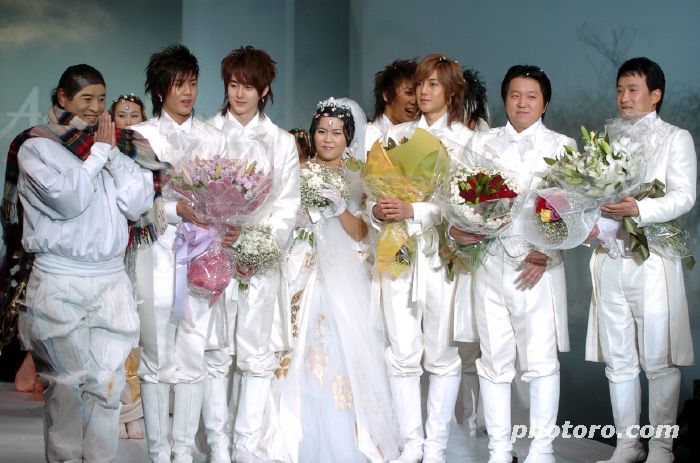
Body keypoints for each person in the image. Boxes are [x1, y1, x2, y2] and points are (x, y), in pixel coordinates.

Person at [7, 64, 155, 462]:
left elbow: (138, 203)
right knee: (65, 387)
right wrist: (99, 153)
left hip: (109, 278)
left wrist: (111, 155)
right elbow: (68, 200)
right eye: (86, 98)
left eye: (101, 99)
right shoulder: (36, 146)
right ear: (63, 98)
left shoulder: (116, 145)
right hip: (61, 277)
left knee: (107, 385)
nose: (95, 107)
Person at [451, 65, 575, 463]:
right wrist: (457, 228)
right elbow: (457, 196)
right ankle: (499, 450)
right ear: (505, 98)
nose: (522, 102)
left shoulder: (562, 147)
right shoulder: (482, 142)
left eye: (531, 96)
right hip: (488, 262)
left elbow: (574, 210)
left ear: (544, 103)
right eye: (515, 95)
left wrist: (547, 251)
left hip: (536, 267)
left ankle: (542, 450)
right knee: (493, 361)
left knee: (540, 362)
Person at [585, 57, 697, 463]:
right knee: (619, 358)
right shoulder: (607, 138)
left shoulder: (675, 138)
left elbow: (685, 195)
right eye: (620, 89)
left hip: (651, 258)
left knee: (658, 358)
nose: (624, 97)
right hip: (611, 256)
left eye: (633, 89)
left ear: (655, 95)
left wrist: (640, 209)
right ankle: (627, 445)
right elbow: (591, 194)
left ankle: (662, 447)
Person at [370, 53, 473, 463]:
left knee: (442, 354)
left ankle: (436, 446)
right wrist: (377, 211)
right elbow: (369, 197)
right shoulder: (394, 137)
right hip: (397, 251)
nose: (423, 92)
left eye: (433, 85)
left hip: (441, 255)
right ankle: (411, 443)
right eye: (419, 84)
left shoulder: (467, 142)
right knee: (401, 352)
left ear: (452, 91)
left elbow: (465, 206)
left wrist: (414, 209)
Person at [131, 44, 230, 463]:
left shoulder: (213, 137)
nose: (187, 92)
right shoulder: (142, 136)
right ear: (160, 90)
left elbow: (228, 194)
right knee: (155, 356)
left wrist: (220, 216)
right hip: (155, 253)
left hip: (200, 257)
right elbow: (134, 202)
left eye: (192, 83)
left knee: (193, 353)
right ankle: (158, 453)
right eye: (178, 84)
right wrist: (176, 211)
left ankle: (184, 452)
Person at [207, 45, 300, 463]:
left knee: (256, 355)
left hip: (259, 260)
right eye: (233, 85)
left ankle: (245, 444)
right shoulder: (207, 134)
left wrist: (254, 247)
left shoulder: (281, 142)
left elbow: (287, 206)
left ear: (264, 90)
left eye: (249, 86)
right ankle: (217, 444)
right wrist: (220, 238)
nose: (240, 94)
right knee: (214, 353)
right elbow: (193, 193)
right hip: (212, 256)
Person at [108, 93, 149, 440]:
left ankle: (133, 410)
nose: (129, 121)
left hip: (141, 251)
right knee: (113, 333)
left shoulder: (149, 154)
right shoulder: (101, 152)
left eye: (135, 115)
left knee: (136, 333)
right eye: (122, 115)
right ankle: (114, 409)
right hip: (109, 254)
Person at [454, 66, 490, 438]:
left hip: (477, 250)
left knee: (477, 339)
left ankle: (480, 418)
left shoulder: (482, 139)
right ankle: (464, 416)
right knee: (459, 341)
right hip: (449, 247)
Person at [365, 58, 418, 149]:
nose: (414, 101)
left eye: (418, 95)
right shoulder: (369, 134)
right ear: (386, 95)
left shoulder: (416, 134)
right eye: (408, 93)